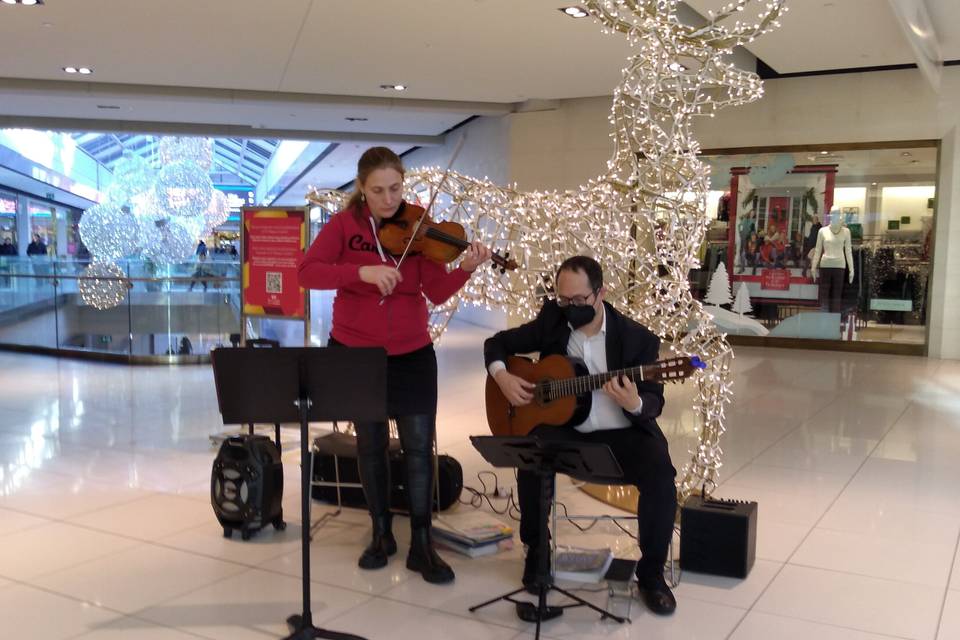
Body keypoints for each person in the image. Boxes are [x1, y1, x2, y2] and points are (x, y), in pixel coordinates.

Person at [297, 146, 493, 584]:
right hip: (357, 351)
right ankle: (381, 532)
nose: (389, 199)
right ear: (362, 190)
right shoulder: (344, 226)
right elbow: (307, 272)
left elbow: (437, 292)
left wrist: (465, 268)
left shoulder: (419, 223)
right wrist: (361, 273)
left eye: (396, 188)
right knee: (370, 445)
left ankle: (422, 544)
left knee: (421, 447)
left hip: (412, 352)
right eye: (378, 191)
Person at [483, 255, 678, 615]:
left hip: (622, 436)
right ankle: (537, 554)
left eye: (579, 301)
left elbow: (654, 402)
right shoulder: (552, 322)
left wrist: (634, 402)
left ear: (601, 293)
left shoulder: (638, 340)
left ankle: (651, 576)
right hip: (567, 429)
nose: (570, 308)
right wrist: (503, 377)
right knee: (529, 451)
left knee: (661, 474)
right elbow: (496, 344)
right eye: (564, 300)